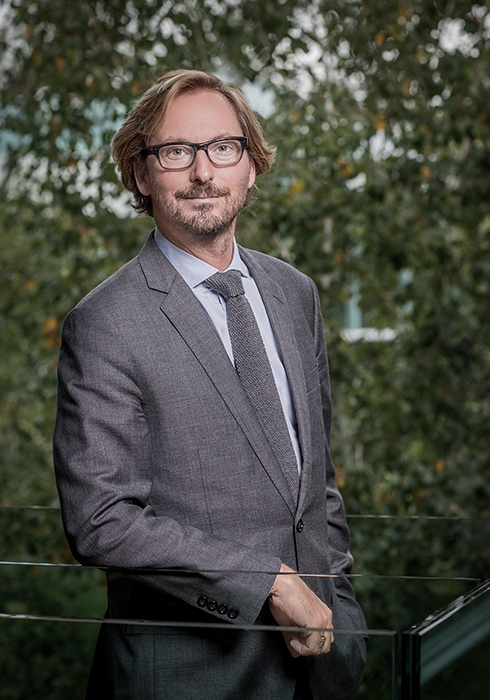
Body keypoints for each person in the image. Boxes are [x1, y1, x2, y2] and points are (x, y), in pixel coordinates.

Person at [53, 69, 366, 700]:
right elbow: (101, 520)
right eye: (176, 152)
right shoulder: (106, 322)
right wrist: (268, 581)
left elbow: (316, 483)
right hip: (187, 677)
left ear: (250, 166)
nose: (203, 172)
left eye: (223, 147)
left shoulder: (294, 294)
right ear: (141, 174)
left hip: (318, 665)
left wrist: (345, 612)